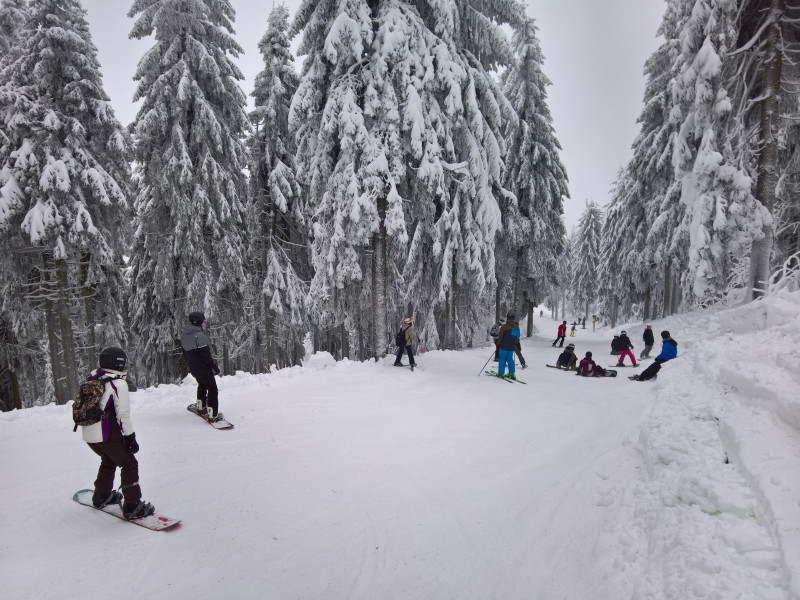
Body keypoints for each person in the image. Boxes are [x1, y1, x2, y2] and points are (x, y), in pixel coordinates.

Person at [80, 347, 155, 520]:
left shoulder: (93, 378)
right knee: (129, 463)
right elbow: (123, 415)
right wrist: (130, 438)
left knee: (109, 459)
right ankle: (132, 505)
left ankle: (101, 496)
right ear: (119, 363)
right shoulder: (118, 383)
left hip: (88, 433)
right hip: (105, 434)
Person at [181, 311, 223, 422]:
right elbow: (206, 356)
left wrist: (191, 365)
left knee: (202, 385)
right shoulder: (199, 337)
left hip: (194, 369)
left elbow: (185, 354)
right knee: (212, 389)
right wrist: (214, 367)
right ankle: (213, 414)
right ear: (199, 323)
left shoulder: (184, 335)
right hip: (204, 369)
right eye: (203, 322)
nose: (204, 324)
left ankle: (201, 406)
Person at [495, 312, 521, 379]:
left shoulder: (504, 327)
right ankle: (511, 373)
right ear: (513, 318)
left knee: (502, 359)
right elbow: (516, 337)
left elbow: (500, 337)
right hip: (511, 347)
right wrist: (516, 343)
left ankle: (501, 373)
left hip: (503, 347)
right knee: (510, 359)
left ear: (507, 318)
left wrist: (498, 344)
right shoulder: (516, 327)